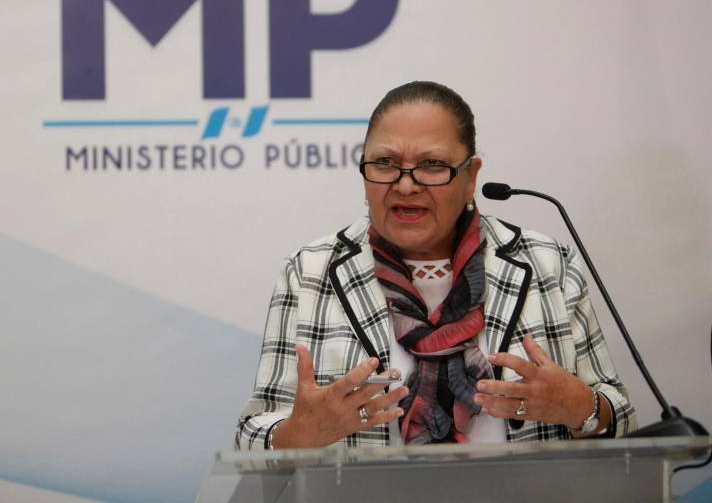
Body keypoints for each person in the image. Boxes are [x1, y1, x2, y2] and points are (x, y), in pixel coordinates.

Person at [235, 81, 636, 450]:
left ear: (470, 176)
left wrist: (580, 407)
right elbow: (251, 434)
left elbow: (622, 418)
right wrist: (297, 435)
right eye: (385, 162)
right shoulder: (311, 272)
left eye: (431, 165)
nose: (405, 184)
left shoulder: (547, 263)